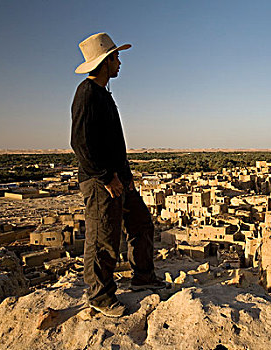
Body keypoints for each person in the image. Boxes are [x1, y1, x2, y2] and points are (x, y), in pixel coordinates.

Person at [71, 33, 165, 318]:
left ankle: (143, 276)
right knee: (103, 237)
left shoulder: (103, 94)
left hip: (117, 177)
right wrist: (105, 177)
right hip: (99, 181)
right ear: (105, 62)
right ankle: (99, 295)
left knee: (140, 223)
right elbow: (81, 143)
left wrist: (125, 175)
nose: (120, 62)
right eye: (116, 57)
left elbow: (112, 143)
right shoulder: (86, 94)